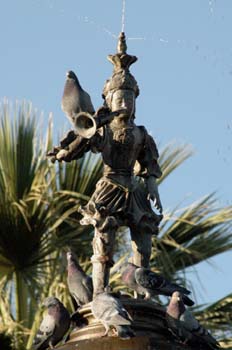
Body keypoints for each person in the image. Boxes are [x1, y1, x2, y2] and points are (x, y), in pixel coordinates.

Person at [48, 33, 163, 296]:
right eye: (119, 99)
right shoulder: (104, 130)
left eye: (129, 98)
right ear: (109, 101)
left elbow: (148, 162)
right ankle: (100, 290)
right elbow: (83, 143)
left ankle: (141, 293)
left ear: (136, 101)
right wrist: (66, 152)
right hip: (109, 187)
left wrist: (152, 185)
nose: (124, 103)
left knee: (143, 240)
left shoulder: (141, 133)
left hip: (133, 190)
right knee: (104, 239)